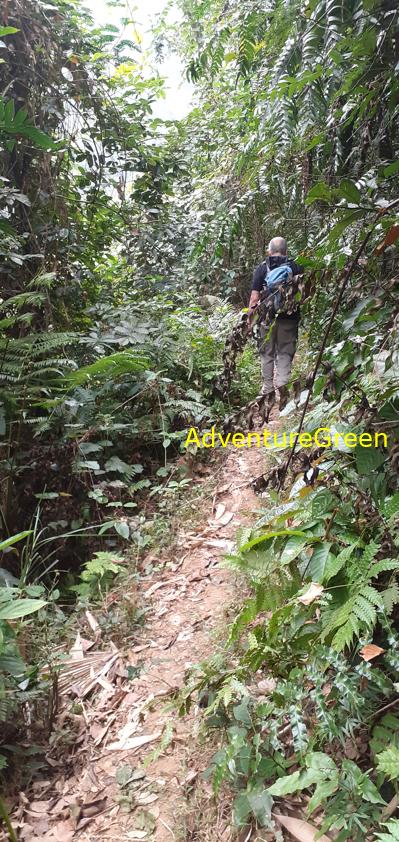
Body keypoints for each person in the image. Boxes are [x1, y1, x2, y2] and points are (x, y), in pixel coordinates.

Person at [248, 236, 303, 414]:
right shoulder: (296, 267)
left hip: (266, 319)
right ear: (286, 251)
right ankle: (282, 386)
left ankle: (267, 390)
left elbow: (254, 299)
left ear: (269, 251)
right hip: (289, 318)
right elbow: (303, 293)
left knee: (267, 354)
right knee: (285, 352)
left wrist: (250, 320)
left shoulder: (262, 269)